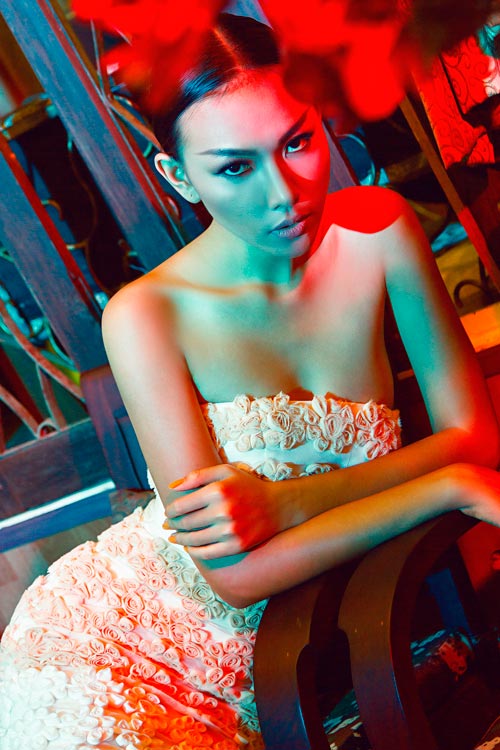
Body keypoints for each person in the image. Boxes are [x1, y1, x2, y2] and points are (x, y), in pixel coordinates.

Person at [1, 12, 500, 750]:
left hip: (301, 649)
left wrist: (289, 501)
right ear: (179, 177)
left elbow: (475, 437)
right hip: (110, 647)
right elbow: (235, 574)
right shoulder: (146, 316)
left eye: (297, 141)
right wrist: (443, 482)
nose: (284, 192)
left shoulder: (379, 232)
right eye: (235, 168)